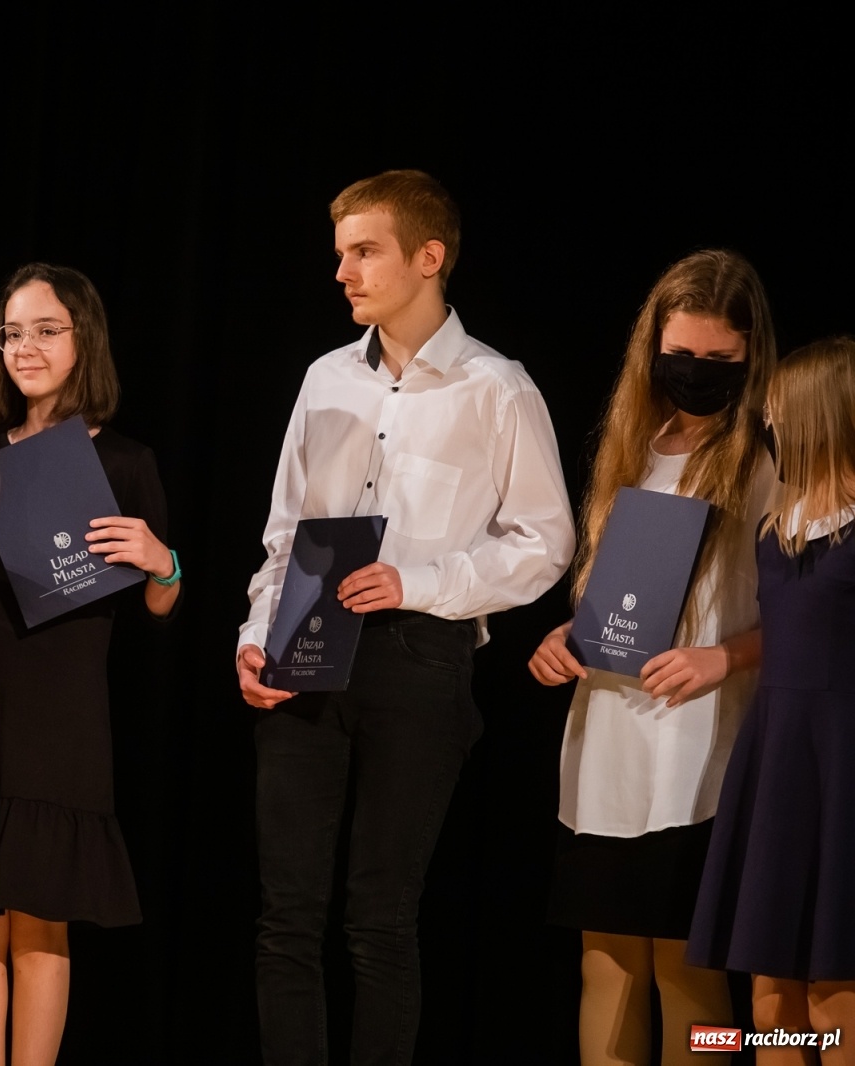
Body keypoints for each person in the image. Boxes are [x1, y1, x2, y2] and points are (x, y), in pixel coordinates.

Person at [235, 169, 575, 1066]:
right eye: (339, 253)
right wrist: (253, 637)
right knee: (287, 916)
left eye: (364, 251)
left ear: (430, 257)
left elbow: (545, 542)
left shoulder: (495, 387)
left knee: (379, 918)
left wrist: (420, 580)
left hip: (420, 659)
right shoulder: (325, 380)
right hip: (305, 648)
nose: (343, 271)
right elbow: (285, 534)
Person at [0, 263, 181, 1066]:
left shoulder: (126, 460)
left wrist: (162, 560)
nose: (25, 346)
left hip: (61, 710)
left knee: (41, 910)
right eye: (13, 331)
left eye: (46, 329)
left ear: (82, 339)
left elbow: (161, 602)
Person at [528, 250, 777, 1066]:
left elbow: (814, 615)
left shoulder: (769, 454)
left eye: (718, 363)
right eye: (680, 359)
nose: (695, 376)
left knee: (689, 976)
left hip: (703, 752)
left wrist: (725, 657)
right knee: (606, 967)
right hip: (609, 743)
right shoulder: (634, 443)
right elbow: (612, 595)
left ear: (751, 359)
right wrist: (569, 636)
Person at [686, 336, 855, 1066]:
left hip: (843, 760)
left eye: (782, 412)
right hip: (778, 759)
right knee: (769, 989)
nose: (770, 424)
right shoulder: (775, 531)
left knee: (834, 991)